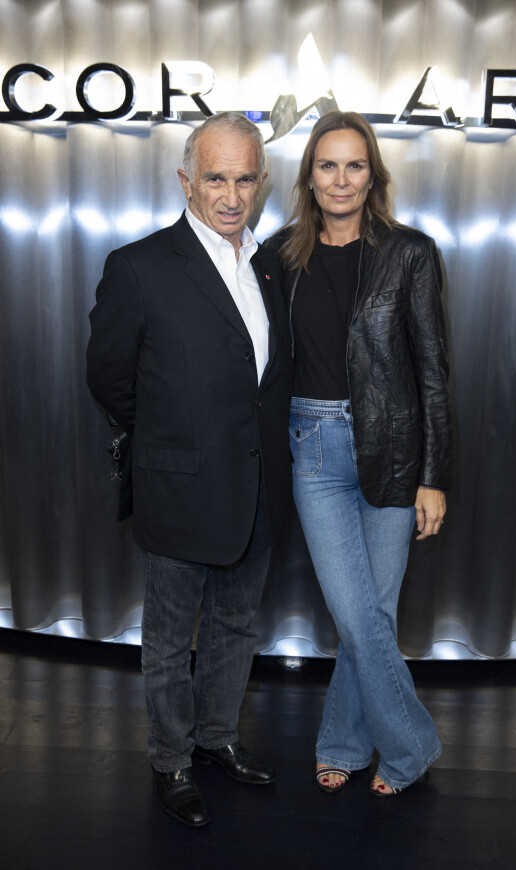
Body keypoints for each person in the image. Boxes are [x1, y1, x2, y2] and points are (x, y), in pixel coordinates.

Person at [86, 113, 292, 827]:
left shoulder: (267, 263)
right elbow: (109, 377)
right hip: (178, 487)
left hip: (259, 488)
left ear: (260, 184)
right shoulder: (139, 267)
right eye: (215, 178)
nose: (230, 195)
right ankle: (171, 757)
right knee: (172, 639)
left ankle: (217, 739)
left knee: (237, 628)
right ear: (186, 181)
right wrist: (168, 442)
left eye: (243, 179)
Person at [266, 111, 452, 797]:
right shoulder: (279, 257)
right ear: (309, 176)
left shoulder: (411, 252)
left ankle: (344, 741)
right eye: (327, 165)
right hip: (312, 447)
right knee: (357, 613)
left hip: (396, 450)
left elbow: (434, 370)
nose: (340, 179)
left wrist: (435, 477)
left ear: (372, 175)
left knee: (371, 612)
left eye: (355, 165)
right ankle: (414, 743)